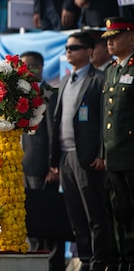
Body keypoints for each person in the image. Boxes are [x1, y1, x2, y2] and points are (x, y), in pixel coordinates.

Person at [50, 31, 112, 271]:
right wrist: (54, 159)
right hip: (65, 155)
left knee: (95, 213)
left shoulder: (99, 79)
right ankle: (85, 258)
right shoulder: (65, 80)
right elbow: (57, 121)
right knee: (75, 213)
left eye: (74, 47)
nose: (69, 51)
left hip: (86, 155)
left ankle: (100, 260)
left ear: (88, 51)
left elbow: (103, 123)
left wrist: (101, 153)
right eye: (67, 47)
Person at [20, 51, 66, 271]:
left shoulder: (49, 93)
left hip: (43, 168)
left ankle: (54, 265)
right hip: (24, 166)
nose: (26, 69)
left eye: (30, 65)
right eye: (23, 65)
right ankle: (37, 263)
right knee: (32, 221)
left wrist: (53, 166)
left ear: (39, 67)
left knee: (50, 220)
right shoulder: (20, 93)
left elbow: (53, 133)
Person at [101, 17, 134, 271]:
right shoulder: (112, 70)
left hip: (130, 154)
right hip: (113, 154)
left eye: (115, 36)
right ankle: (123, 259)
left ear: (131, 37)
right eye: (108, 38)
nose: (110, 42)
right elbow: (107, 116)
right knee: (118, 211)